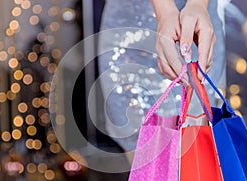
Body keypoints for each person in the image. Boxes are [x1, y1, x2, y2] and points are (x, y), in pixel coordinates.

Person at [97, 0, 226, 159]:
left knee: (197, 161)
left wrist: (198, 5)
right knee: (146, 167)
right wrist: (165, 11)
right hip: (130, 34)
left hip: (196, 29)